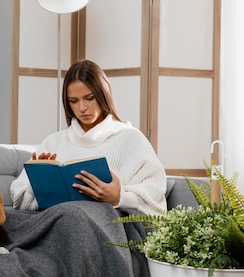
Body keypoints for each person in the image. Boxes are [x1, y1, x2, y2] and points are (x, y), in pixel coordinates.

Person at [11, 59, 167, 215]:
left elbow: (156, 195)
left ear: (103, 95)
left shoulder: (131, 138)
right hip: (58, 221)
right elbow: (19, 199)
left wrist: (118, 197)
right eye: (74, 101)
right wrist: (39, 180)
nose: (82, 108)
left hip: (104, 223)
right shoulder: (53, 142)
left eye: (89, 98)